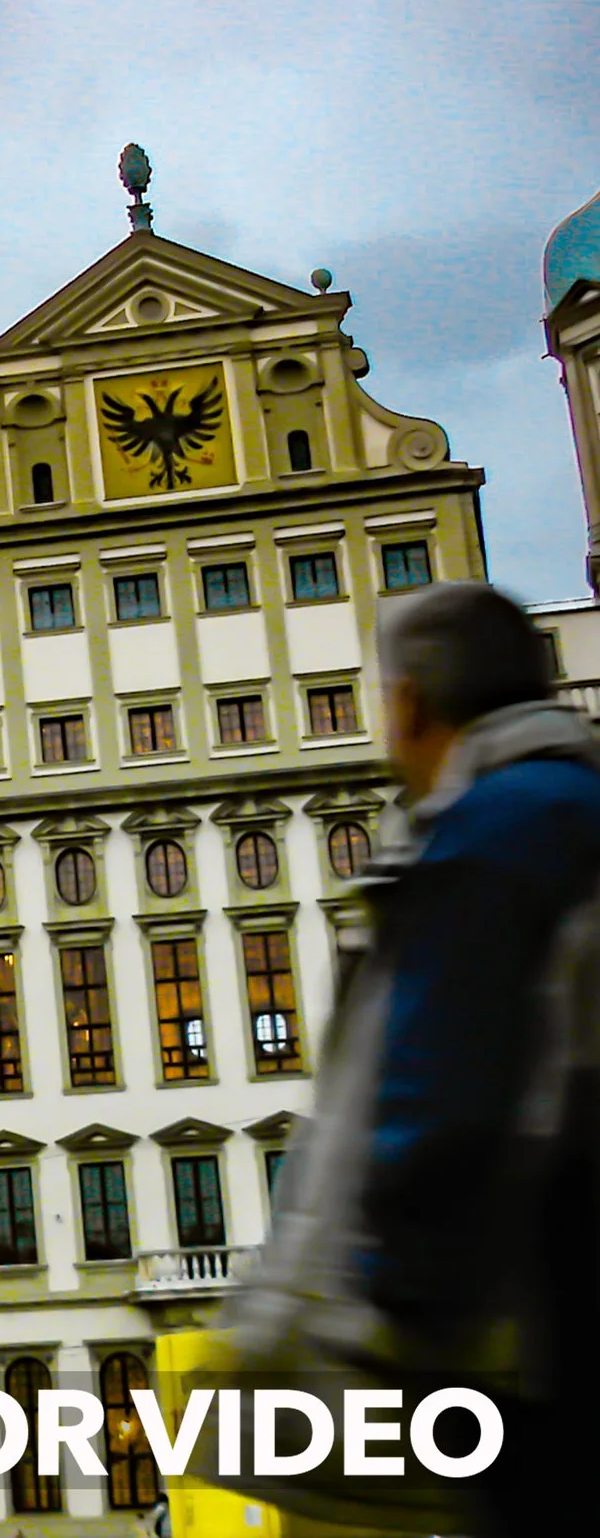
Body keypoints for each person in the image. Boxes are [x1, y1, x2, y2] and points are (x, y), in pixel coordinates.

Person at [238, 583, 600, 1537]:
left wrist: (390, 1311)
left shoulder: (491, 830)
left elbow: (441, 1097)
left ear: (406, 702)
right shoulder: (577, 798)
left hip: (539, 1317)